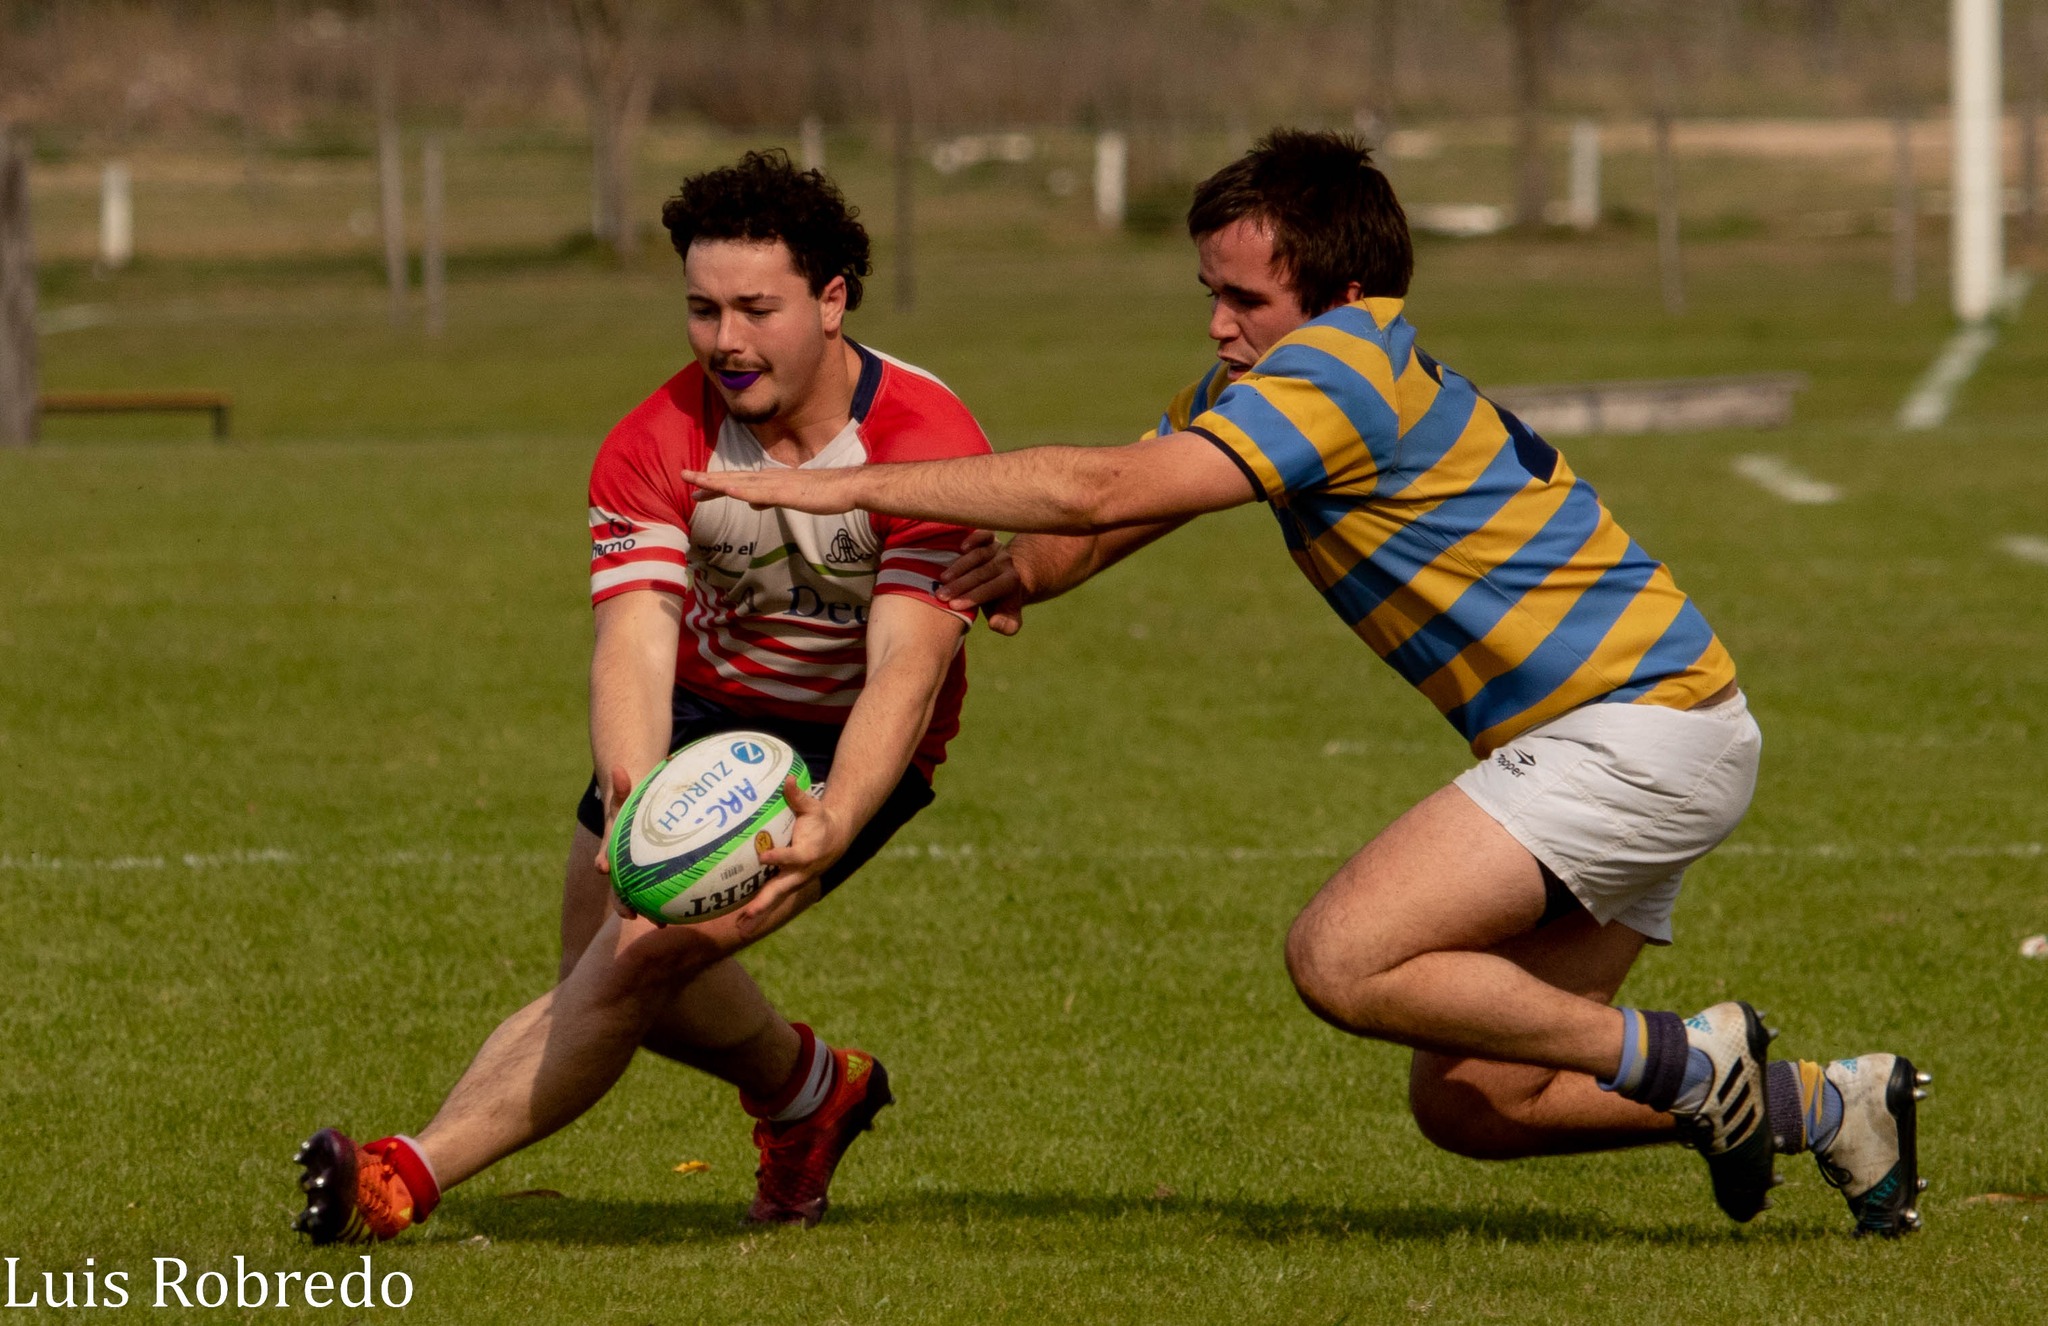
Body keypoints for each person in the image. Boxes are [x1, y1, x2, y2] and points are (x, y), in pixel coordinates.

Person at [683, 131, 1929, 1238]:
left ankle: (1689, 1056)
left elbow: (1098, 489)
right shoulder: (1267, 383)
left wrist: (846, 484)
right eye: (1208, 295)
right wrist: (991, 580)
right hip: (1647, 733)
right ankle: (1822, 1105)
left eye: (1243, 298)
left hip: (1632, 731)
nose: (1219, 324)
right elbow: (1105, 522)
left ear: (1339, 295)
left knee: (1342, 957)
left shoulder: (1339, 374)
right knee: (1477, 1101)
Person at [292, 150, 991, 1242]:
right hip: (700, 714)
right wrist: (632, 792)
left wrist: (841, 811)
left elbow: (909, 662)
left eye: (756, 308)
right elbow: (633, 639)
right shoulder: (654, 440)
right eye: (702, 309)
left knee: (629, 970)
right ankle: (811, 1091)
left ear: (832, 297)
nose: (726, 340)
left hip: (841, 742)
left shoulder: (928, 443)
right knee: (605, 971)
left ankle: (398, 1179)